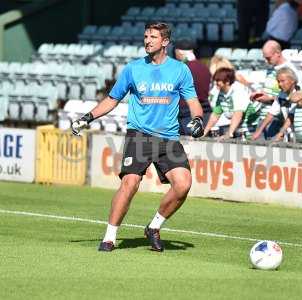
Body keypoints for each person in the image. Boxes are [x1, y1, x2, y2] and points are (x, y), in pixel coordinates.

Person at [71, 22, 204, 252]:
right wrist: (87, 117)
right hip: (139, 135)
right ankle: (110, 237)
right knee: (130, 182)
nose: (147, 40)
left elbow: (194, 103)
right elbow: (112, 99)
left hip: (168, 138)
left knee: (183, 185)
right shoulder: (133, 69)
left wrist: (198, 119)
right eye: (145, 36)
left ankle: (153, 227)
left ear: (165, 42)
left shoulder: (180, 70)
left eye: (153, 37)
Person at [250, 40, 302, 139]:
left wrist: (269, 99)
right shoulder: (271, 69)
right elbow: (271, 90)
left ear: (278, 53)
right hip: (265, 116)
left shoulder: (291, 70)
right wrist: (260, 94)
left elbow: (295, 96)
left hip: (279, 120)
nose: (266, 61)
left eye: (268, 58)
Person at [203, 67, 256, 139]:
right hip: (241, 127)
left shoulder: (238, 90)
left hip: (253, 126)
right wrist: (203, 133)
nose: (216, 83)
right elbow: (215, 114)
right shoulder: (221, 92)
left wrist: (229, 133)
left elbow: (238, 114)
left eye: (218, 80)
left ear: (227, 81)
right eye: (215, 80)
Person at [174, 39, 212, 136]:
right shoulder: (205, 68)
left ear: (178, 52)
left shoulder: (181, 69)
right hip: (205, 112)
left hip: (187, 114)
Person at [252, 67, 299, 141]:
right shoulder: (281, 94)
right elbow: (271, 113)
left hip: (300, 132)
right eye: (278, 81)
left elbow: (291, 117)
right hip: (290, 131)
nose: (280, 84)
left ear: (292, 80)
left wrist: (280, 133)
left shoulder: (299, 93)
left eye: (283, 81)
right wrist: (259, 131)